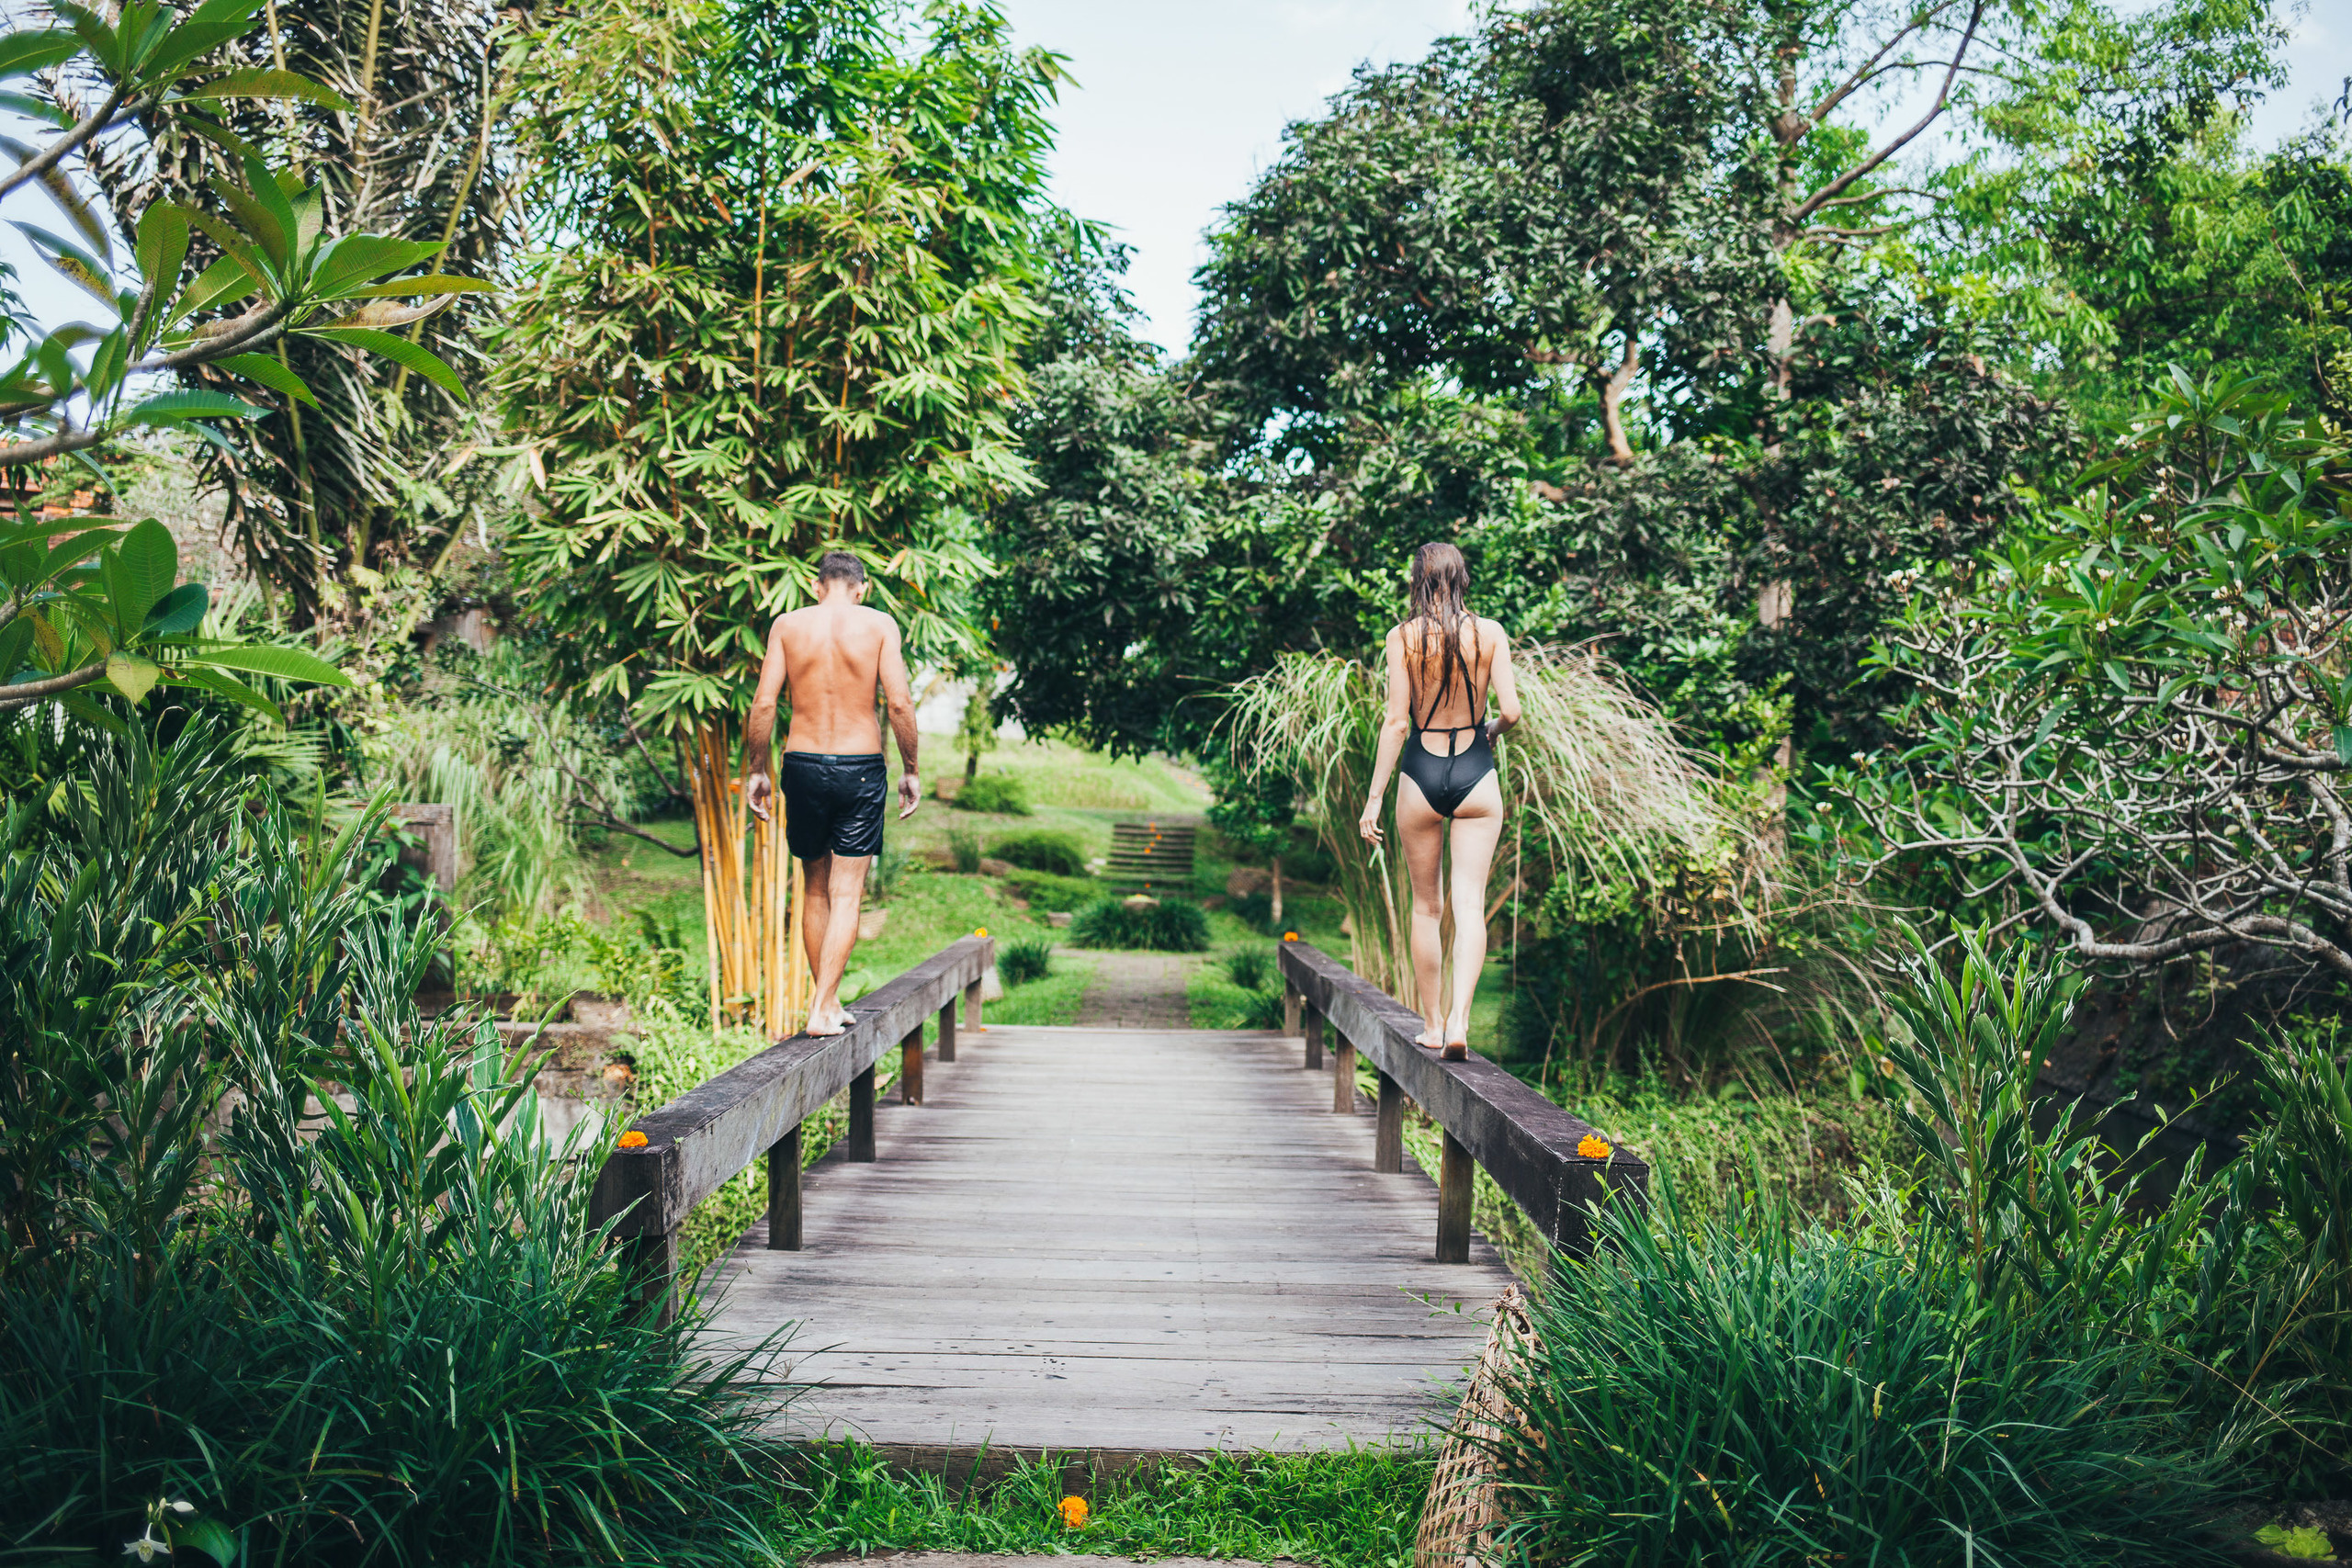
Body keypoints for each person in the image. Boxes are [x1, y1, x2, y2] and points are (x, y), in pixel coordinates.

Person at [744, 551, 921, 1037]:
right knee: (847, 892)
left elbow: (764, 703)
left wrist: (757, 769)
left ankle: (827, 1000)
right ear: (861, 588)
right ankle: (822, 1007)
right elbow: (900, 703)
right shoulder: (880, 624)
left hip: (801, 765)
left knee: (815, 887)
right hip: (860, 767)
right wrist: (911, 769)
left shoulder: (787, 625)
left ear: (816, 585)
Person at [1356, 542, 1521, 1060]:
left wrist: (1374, 798)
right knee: (1469, 904)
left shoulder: (1402, 637)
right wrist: (1489, 731)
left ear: (1417, 581)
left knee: (1426, 907)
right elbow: (1513, 712)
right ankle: (1459, 1022)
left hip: (1421, 772)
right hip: (1475, 768)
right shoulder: (1490, 633)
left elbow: (1396, 722)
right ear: (1461, 579)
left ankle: (1430, 1024)